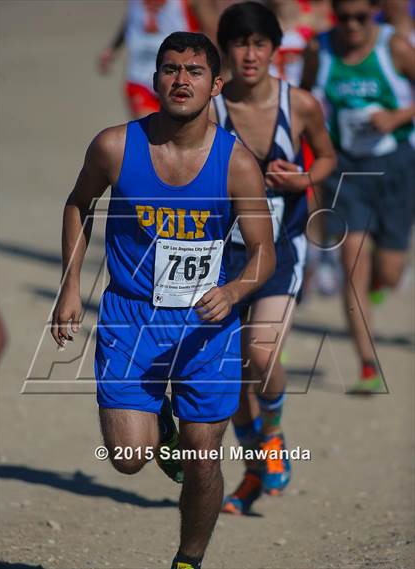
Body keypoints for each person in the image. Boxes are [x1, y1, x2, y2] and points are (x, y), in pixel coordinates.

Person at [52, 31, 275, 569]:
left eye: (194, 71)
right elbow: (78, 205)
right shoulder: (114, 146)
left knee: (203, 459)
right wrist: (69, 288)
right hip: (132, 316)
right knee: (129, 458)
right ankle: (161, 424)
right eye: (170, 69)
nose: (181, 80)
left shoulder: (236, 162)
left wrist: (235, 290)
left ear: (216, 84)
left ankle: (188, 560)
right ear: (154, 80)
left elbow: (263, 252)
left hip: (206, 324)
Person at [209, 1, 336, 514]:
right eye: (239, 43)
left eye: (260, 43)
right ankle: (253, 472)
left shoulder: (299, 104)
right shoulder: (209, 106)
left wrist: (304, 179)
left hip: (281, 247)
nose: (249, 54)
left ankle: (275, 432)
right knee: (233, 374)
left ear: (274, 48)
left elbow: (327, 155)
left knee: (262, 355)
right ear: (226, 49)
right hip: (221, 255)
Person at [301, 0, 415, 393]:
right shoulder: (320, 49)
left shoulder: (394, 47)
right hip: (347, 172)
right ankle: (367, 365)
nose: (350, 26)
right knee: (352, 264)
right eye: (343, 17)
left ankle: (377, 290)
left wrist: (397, 117)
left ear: (374, 15)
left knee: (390, 272)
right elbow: (302, 100)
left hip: (396, 168)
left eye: (360, 18)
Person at [98, 0, 199, 118]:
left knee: (174, 128)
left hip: (175, 78)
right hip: (139, 75)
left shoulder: (185, 3)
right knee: (148, 127)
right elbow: (132, 20)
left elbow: (202, 29)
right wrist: (113, 48)